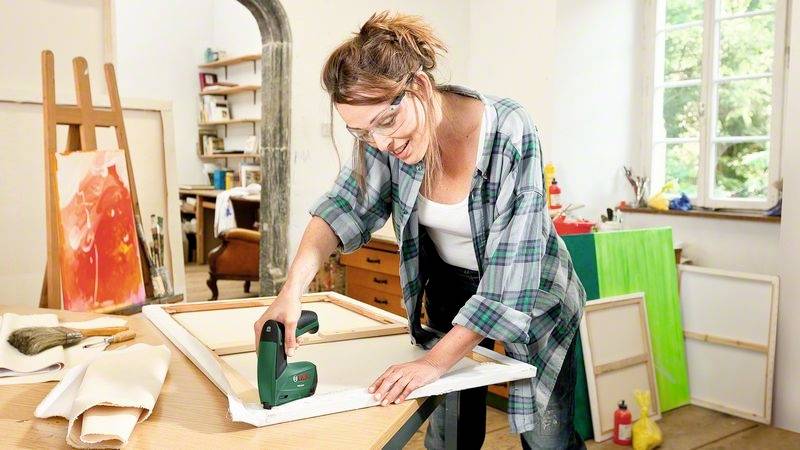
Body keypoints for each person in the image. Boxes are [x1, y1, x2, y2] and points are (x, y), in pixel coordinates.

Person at [254, 11, 586, 450]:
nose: (381, 143)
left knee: (547, 440)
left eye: (386, 124)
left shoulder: (508, 129)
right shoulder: (383, 136)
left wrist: (434, 363)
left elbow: (509, 281)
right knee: (449, 437)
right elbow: (341, 207)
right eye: (361, 132)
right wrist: (291, 291)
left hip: (535, 296)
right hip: (452, 288)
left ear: (421, 88)